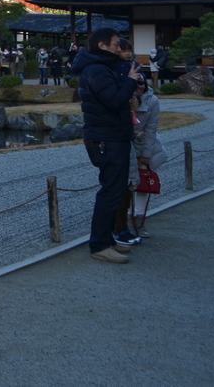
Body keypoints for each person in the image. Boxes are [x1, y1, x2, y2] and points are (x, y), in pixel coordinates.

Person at [72, 27, 142, 264]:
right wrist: (131, 82)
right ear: (102, 45)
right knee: (110, 191)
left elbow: (118, 98)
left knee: (116, 189)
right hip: (106, 137)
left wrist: (132, 93)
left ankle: (107, 241)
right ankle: (99, 244)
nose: (119, 48)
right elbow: (113, 100)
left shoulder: (103, 68)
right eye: (115, 44)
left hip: (113, 135)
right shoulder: (96, 70)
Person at [129, 79, 165, 237]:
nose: (140, 86)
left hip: (145, 144)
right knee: (128, 185)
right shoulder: (122, 97)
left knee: (143, 184)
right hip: (125, 145)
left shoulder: (152, 101)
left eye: (142, 82)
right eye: (136, 83)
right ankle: (127, 220)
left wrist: (145, 155)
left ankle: (140, 219)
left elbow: (151, 128)